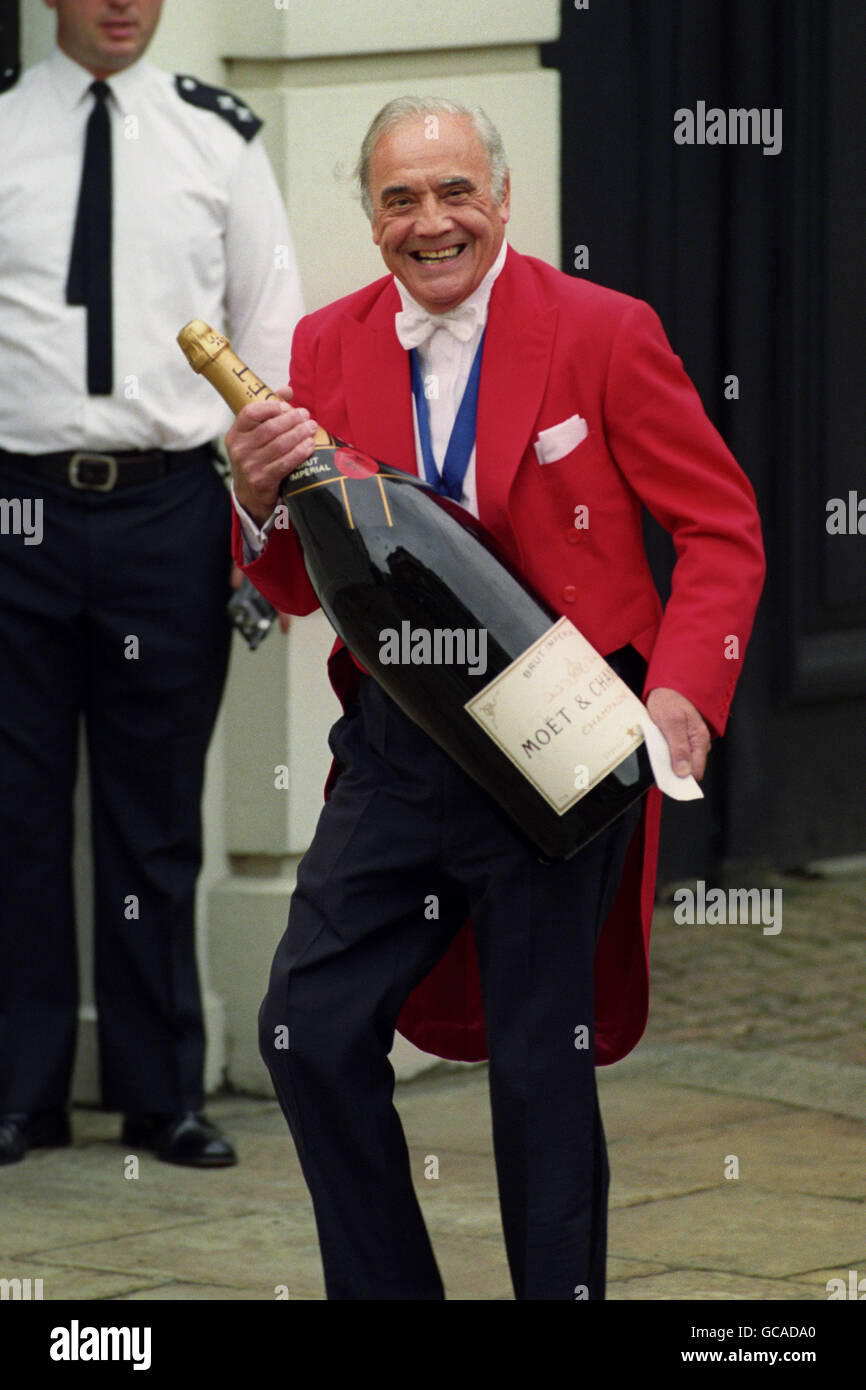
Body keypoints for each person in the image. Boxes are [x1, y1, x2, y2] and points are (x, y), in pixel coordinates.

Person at [226, 96, 765, 1297]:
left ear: (503, 197)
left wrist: (681, 694)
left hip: (559, 740)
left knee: (538, 1066)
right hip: (398, 744)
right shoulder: (322, 345)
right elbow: (293, 584)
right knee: (307, 1029)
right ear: (369, 219)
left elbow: (720, 530)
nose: (432, 220)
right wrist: (255, 497)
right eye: (400, 198)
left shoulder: (604, 330)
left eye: (454, 190)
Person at [0, 0, 304, 1167]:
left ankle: (159, 1089)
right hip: (17, 506)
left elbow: (266, 337)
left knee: (154, 814)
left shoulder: (216, 135)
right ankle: (21, 1089)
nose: (122, 3)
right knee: (17, 813)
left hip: (166, 507)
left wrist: (250, 525)